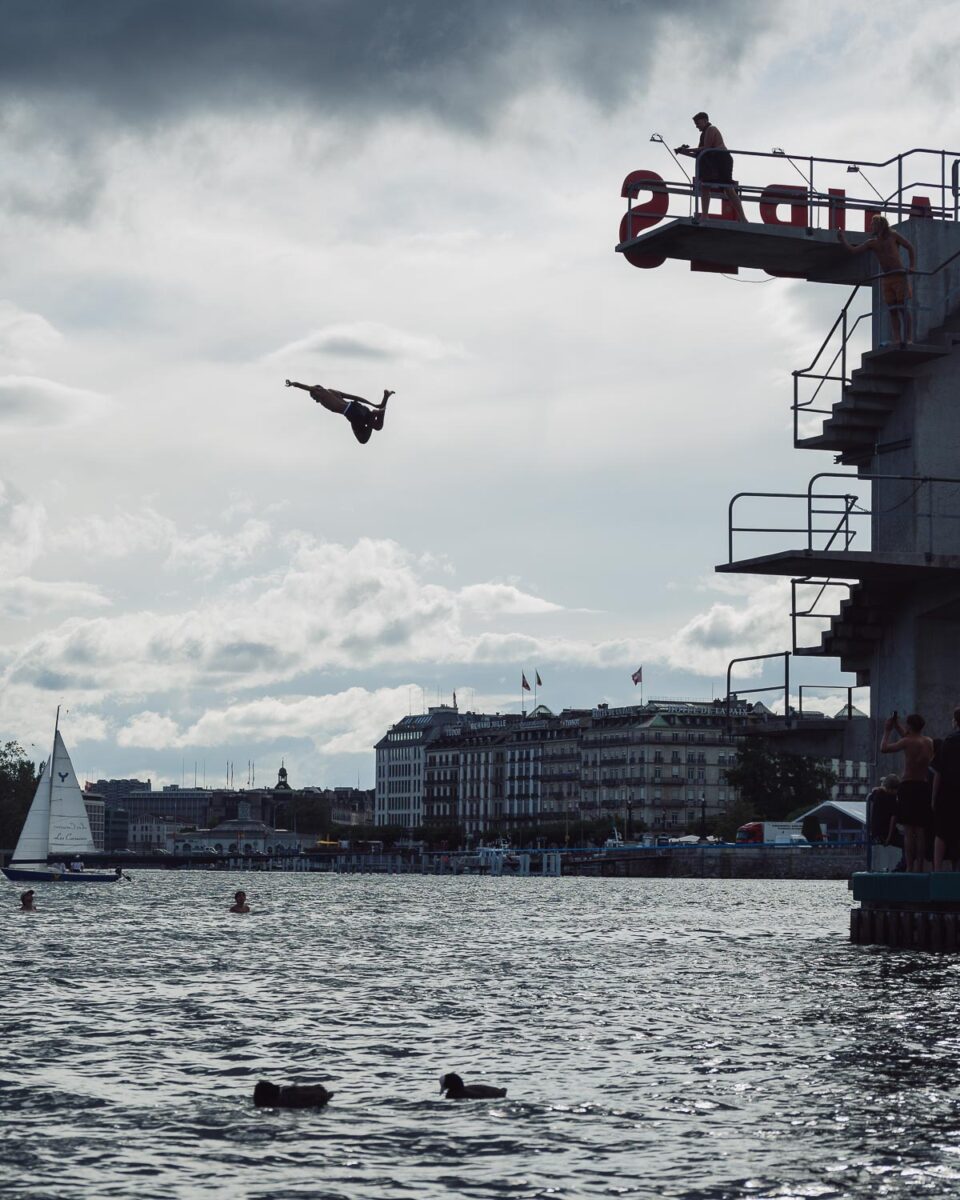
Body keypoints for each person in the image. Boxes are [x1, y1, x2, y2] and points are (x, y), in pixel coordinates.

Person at [839, 216, 916, 346]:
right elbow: (854, 250)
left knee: (903, 307)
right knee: (892, 309)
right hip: (887, 278)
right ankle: (897, 339)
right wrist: (843, 240)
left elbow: (909, 247)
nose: (871, 226)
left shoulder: (893, 236)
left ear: (880, 225)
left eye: (873, 224)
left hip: (898, 275)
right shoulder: (872, 243)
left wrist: (912, 266)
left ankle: (908, 338)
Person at [881, 712, 934, 871]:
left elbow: (884, 748)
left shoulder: (906, 742)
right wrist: (897, 725)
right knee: (921, 829)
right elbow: (910, 736)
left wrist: (888, 730)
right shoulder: (928, 742)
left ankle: (909, 867)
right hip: (923, 786)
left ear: (910, 726)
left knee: (909, 830)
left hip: (908, 786)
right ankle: (919, 867)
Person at [675, 112, 747, 222]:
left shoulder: (711, 129)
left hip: (722, 160)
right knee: (705, 186)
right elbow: (699, 155)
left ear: (704, 120)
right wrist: (683, 152)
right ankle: (704, 215)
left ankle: (743, 218)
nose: (696, 126)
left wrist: (689, 149)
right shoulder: (703, 134)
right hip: (711, 162)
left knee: (728, 189)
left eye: (697, 123)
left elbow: (706, 148)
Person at [285, 380, 394, 445]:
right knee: (378, 426)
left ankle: (375, 413)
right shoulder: (333, 391)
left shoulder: (322, 394)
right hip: (358, 407)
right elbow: (354, 397)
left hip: (353, 414)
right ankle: (381, 405)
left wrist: (294, 384)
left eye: (314, 397)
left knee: (362, 439)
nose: (315, 400)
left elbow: (308, 388)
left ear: (317, 391)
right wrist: (373, 404)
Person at [932, 707, 960, 871]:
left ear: (956, 722)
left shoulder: (949, 741)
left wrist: (934, 798)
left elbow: (939, 772)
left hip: (948, 792)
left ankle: (938, 869)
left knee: (942, 832)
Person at [866, 774, 903, 871]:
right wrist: (889, 838)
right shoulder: (892, 799)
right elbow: (893, 820)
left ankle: (901, 866)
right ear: (893, 789)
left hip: (876, 833)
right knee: (909, 844)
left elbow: (875, 790)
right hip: (885, 834)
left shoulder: (877, 794)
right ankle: (901, 867)